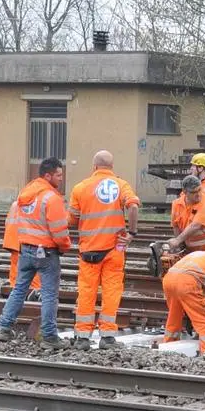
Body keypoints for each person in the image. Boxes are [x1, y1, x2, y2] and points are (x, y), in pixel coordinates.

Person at [0, 157, 71, 349]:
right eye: (59, 175)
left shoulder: (26, 194)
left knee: (19, 289)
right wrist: (64, 247)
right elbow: (59, 232)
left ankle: (4, 327)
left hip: (26, 250)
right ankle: (49, 336)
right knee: (49, 295)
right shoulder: (51, 198)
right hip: (46, 252)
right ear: (48, 175)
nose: (61, 179)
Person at [68, 150, 140, 350]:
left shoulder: (80, 188)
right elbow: (133, 207)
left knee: (86, 292)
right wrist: (132, 233)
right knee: (111, 291)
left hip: (88, 250)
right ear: (111, 166)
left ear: (94, 167)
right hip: (113, 250)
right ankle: (107, 337)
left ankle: (82, 337)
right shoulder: (120, 184)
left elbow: (71, 220)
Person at [161, 250, 205, 359]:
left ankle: (168, 346)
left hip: (169, 280)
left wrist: (191, 316)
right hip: (187, 283)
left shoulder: (204, 256)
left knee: (174, 315)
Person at [166, 174, 205, 255]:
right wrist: (180, 245)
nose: (198, 194)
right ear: (184, 192)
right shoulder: (176, 204)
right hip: (191, 252)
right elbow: (176, 226)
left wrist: (177, 240)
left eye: (199, 190)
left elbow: (195, 226)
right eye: (194, 192)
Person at [2, 196, 40, 297]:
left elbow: (7, 222)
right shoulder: (31, 205)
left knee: (16, 268)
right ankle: (33, 292)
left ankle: (14, 289)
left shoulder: (16, 204)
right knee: (32, 269)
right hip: (23, 240)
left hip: (12, 239)